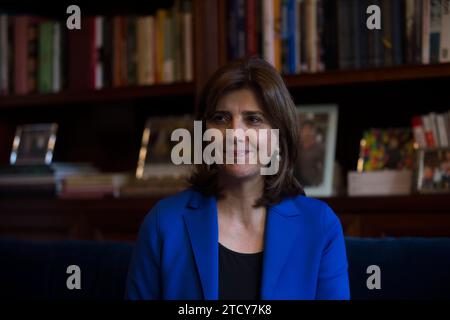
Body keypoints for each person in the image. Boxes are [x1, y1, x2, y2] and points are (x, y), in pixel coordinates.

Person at [125, 57, 350, 300]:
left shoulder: (319, 225)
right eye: (221, 118)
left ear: (279, 136)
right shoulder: (164, 223)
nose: (235, 134)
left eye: (253, 119)